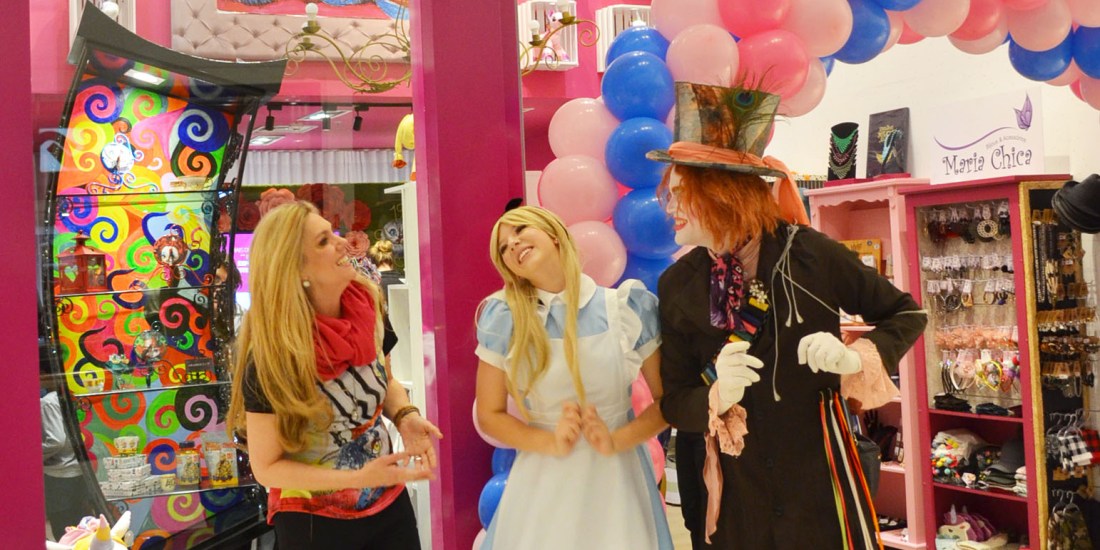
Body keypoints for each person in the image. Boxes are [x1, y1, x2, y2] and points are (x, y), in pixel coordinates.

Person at [648, 83, 927, 549]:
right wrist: (715, 395)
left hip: (817, 483)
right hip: (732, 496)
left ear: (721, 193)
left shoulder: (810, 255)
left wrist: (855, 357)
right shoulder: (678, 284)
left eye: (681, 193)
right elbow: (674, 401)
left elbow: (908, 312)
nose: (671, 207)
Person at [226, 200, 442, 550]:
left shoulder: (367, 308)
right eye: (323, 241)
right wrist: (355, 477)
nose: (342, 243)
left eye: (332, 233)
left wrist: (405, 415)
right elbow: (266, 467)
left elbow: (384, 381)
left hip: (388, 504)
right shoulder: (273, 355)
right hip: (314, 523)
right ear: (296, 269)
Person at [474, 206, 673, 549]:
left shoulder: (627, 307)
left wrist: (616, 440)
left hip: (618, 478)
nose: (512, 244)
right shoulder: (504, 318)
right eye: (503, 247)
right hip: (541, 481)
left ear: (554, 235)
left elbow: (667, 402)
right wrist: (550, 442)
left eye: (520, 230)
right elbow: (489, 414)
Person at [41, 370, 95, 541]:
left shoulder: (48, 401)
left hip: (58, 474)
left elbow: (56, 440)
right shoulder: (71, 397)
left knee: (64, 531)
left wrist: (33, 454)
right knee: (80, 529)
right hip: (78, 470)